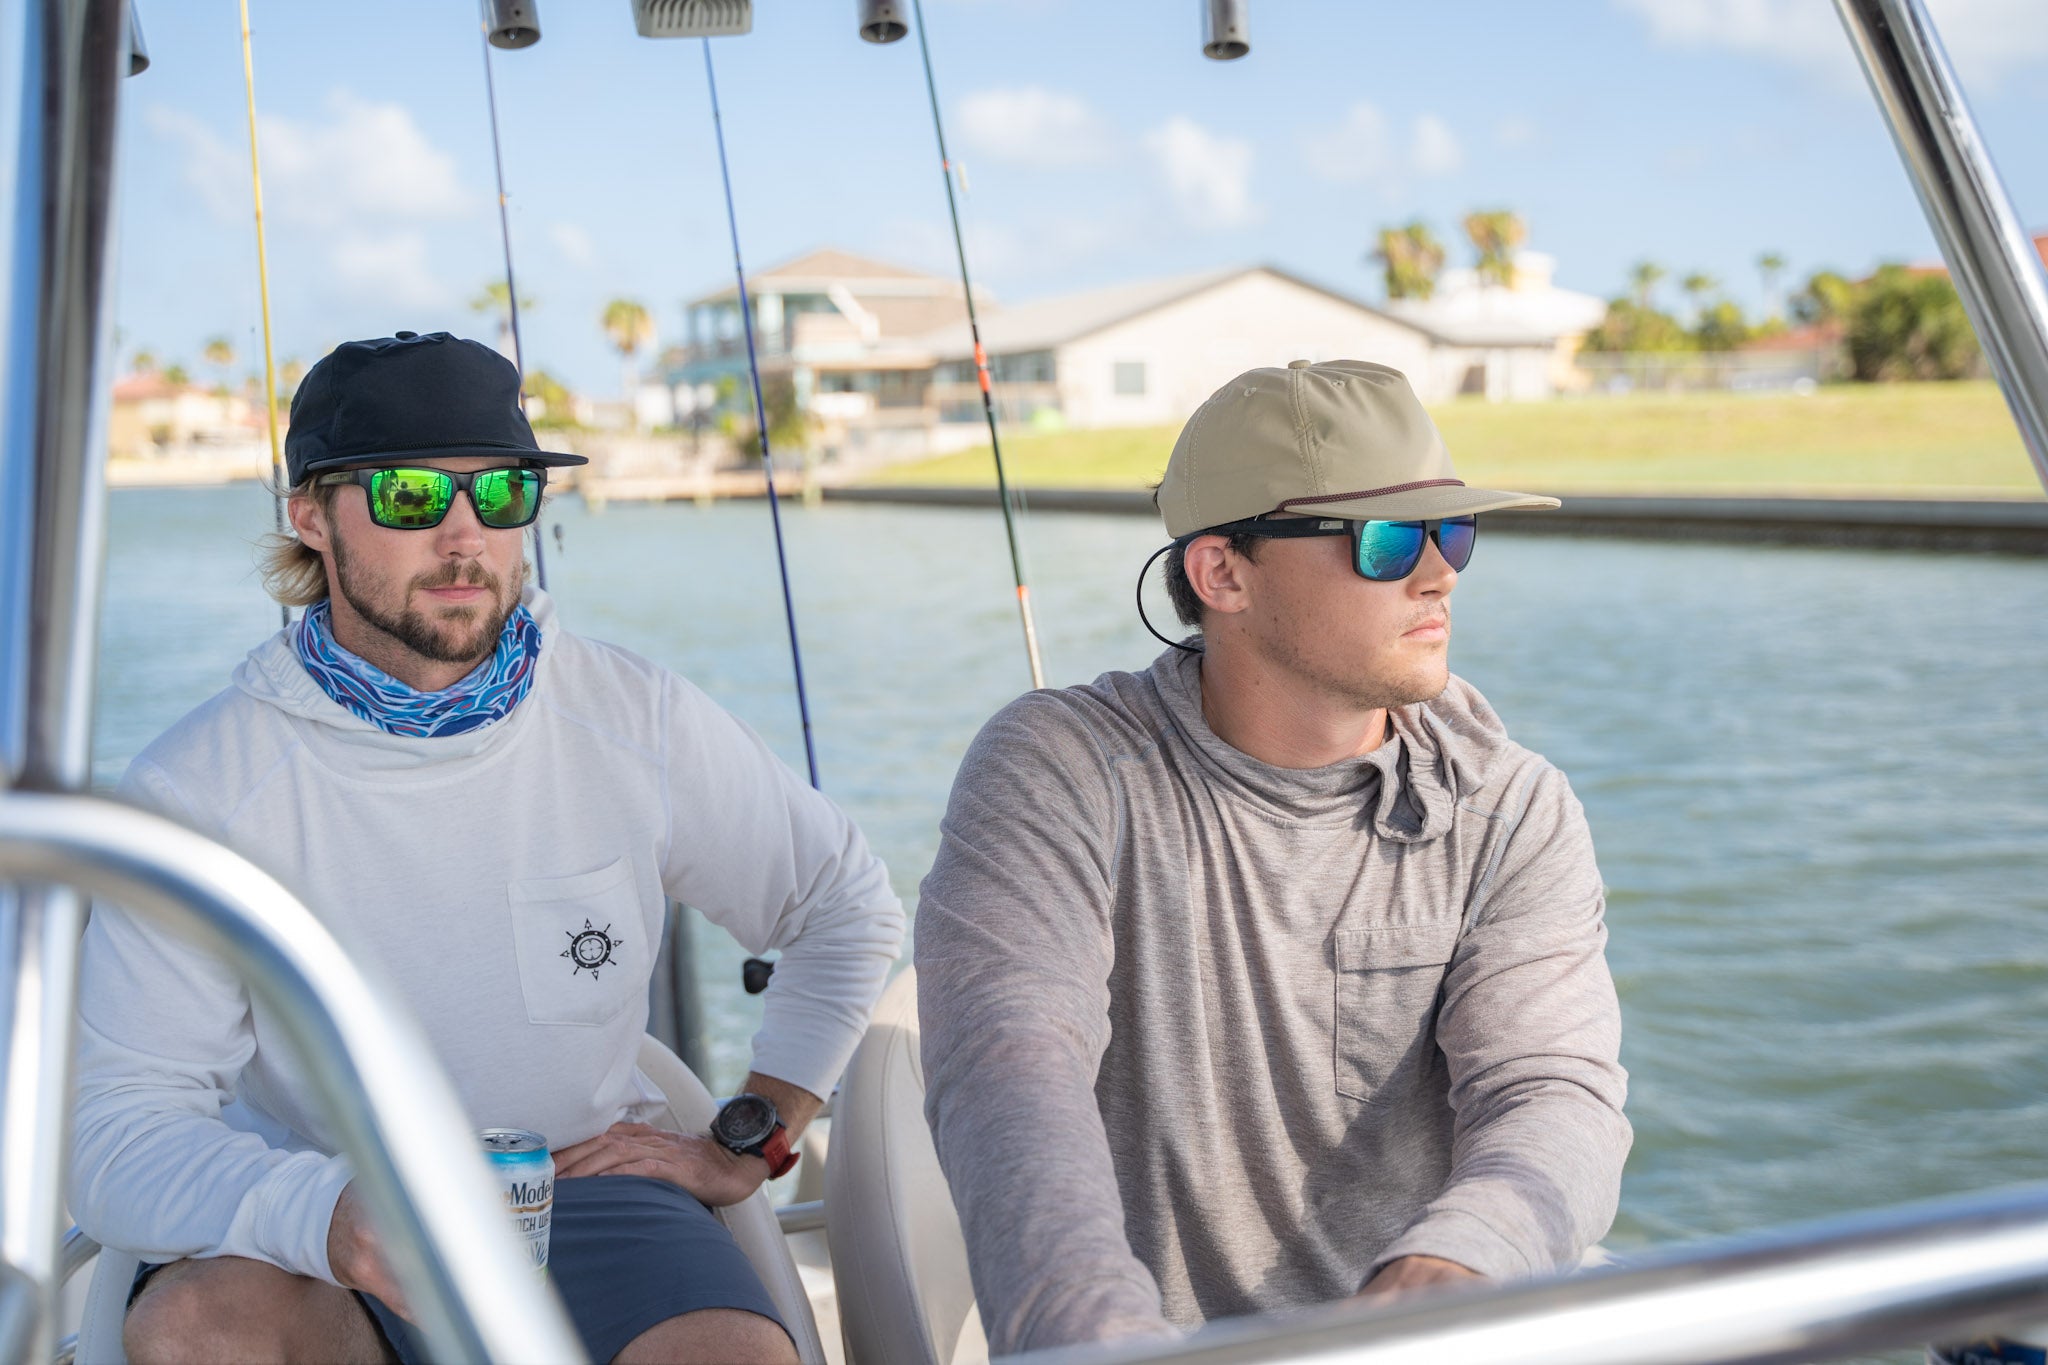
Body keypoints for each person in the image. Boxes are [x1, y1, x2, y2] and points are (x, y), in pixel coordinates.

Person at [73, 331, 905, 1365]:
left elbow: (843, 903)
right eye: (411, 496)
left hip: (583, 1192)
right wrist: (329, 1214)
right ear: (310, 517)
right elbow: (119, 1130)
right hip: (313, 1218)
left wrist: (755, 1133)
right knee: (195, 1331)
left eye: (504, 492)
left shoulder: (630, 715)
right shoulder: (199, 788)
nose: (465, 535)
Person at [916, 359, 1630, 1354]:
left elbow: (1551, 1092)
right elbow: (1011, 1073)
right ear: (1223, 574)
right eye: (1386, 540)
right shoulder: (1061, 770)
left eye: (1454, 530)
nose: (1439, 573)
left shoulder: (1510, 806)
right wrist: (1100, 1336)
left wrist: (1458, 1265)